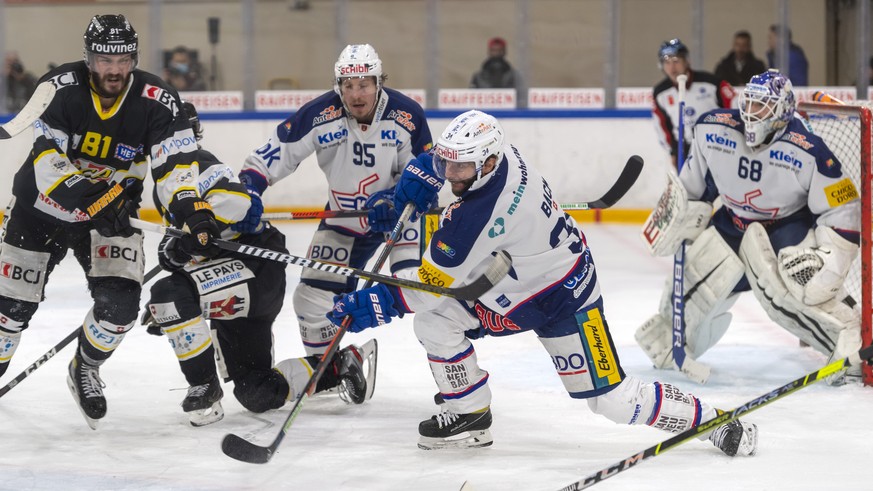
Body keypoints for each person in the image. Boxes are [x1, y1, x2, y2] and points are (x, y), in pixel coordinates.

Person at [326, 109, 758, 457]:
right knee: (435, 323)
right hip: (512, 285)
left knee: (613, 401)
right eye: (446, 162)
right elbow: (447, 172)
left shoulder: (480, 218)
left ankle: (715, 421)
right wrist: (414, 183)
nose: (449, 171)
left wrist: (376, 303)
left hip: (565, 298)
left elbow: (428, 286)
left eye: (458, 166)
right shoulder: (500, 155)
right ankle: (469, 414)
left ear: (488, 163)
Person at [0, 15, 220, 429]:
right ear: (88, 58)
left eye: (122, 59)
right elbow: (48, 161)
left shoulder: (158, 99)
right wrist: (93, 196)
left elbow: (175, 167)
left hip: (110, 217)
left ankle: (84, 366)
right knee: (8, 311)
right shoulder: (59, 89)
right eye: (103, 58)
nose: (114, 68)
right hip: (39, 210)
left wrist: (192, 211)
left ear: (133, 58)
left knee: (119, 308)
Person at [141, 102, 376, 426]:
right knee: (256, 393)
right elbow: (198, 243)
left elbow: (238, 203)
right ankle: (339, 366)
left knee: (168, 294)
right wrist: (180, 261)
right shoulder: (167, 182)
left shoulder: (198, 166)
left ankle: (204, 386)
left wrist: (182, 276)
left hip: (254, 267)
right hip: (234, 278)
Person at [636, 69, 861, 384]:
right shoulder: (714, 130)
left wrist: (829, 258)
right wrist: (680, 214)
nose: (751, 113)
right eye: (750, 103)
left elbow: (844, 207)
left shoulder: (809, 149)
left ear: (782, 110)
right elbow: (693, 188)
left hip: (785, 228)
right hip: (732, 223)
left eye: (762, 106)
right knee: (696, 286)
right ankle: (674, 335)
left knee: (796, 291)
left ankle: (852, 348)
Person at [231, 44, 432, 383]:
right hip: (345, 221)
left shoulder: (405, 114)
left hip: (399, 221)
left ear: (378, 82)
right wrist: (248, 190)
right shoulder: (320, 113)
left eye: (364, 84)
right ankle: (330, 370)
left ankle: (456, 388)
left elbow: (426, 173)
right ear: (338, 85)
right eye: (348, 85)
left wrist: (397, 200)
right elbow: (275, 154)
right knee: (310, 300)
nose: (356, 94)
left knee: (420, 293)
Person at [653, 39, 736, 169]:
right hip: (685, 149)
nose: (672, 67)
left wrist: (732, 137)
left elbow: (733, 107)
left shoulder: (711, 83)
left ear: (687, 61)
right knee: (689, 188)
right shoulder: (660, 93)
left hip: (717, 145)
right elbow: (662, 126)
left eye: (676, 61)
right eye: (667, 62)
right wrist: (673, 151)